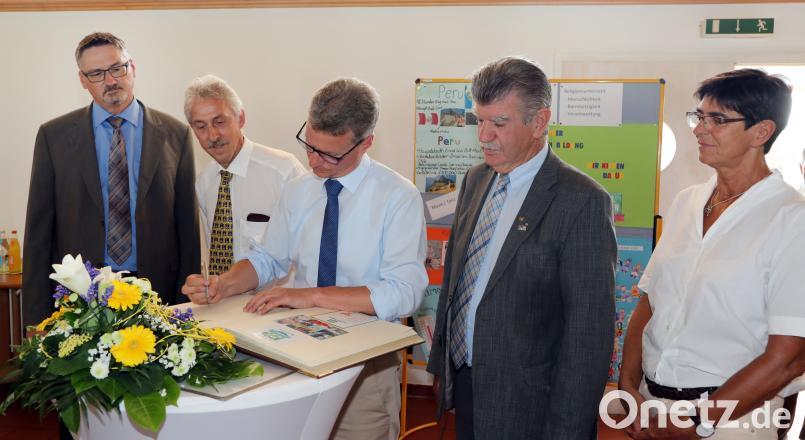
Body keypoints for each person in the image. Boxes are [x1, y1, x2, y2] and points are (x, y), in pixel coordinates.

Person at [181, 77, 428, 440]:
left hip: (365, 363)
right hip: (296, 350)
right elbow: (268, 259)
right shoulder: (299, 189)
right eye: (309, 145)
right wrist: (223, 284)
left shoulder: (398, 197)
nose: (314, 161)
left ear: (366, 143)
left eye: (330, 154)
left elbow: (404, 292)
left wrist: (310, 295)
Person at [426, 56, 617, 440]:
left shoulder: (580, 200)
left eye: (499, 123)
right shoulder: (476, 179)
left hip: (530, 401)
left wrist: (568, 428)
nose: (483, 136)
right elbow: (457, 280)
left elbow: (588, 334)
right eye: (478, 120)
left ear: (540, 122)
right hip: (465, 382)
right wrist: (441, 367)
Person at [619, 68, 805, 440]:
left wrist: (701, 421)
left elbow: (788, 356)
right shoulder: (688, 201)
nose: (699, 129)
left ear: (762, 132)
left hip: (732, 419)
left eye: (717, 119)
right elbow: (649, 303)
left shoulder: (791, 219)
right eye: (699, 116)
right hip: (652, 407)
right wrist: (628, 388)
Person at [23, 32, 200, 327]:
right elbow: (38, 234)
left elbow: (188, 228)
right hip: (79, 297)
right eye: (96, 73)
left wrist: (187, 310)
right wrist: (36, 320)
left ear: (133, 68)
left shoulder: (175, 134)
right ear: (83, 80)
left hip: (158, 294)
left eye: (117, 68)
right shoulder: (53, 137)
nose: (110, 80)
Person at [185, 74, 305, 275]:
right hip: (224, 302)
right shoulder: (204, 183)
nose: (213, 135)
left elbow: (308, 247)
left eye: (220, 122)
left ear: (241, 118)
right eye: (201, 126)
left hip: (279, 303)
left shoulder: (284, 171)